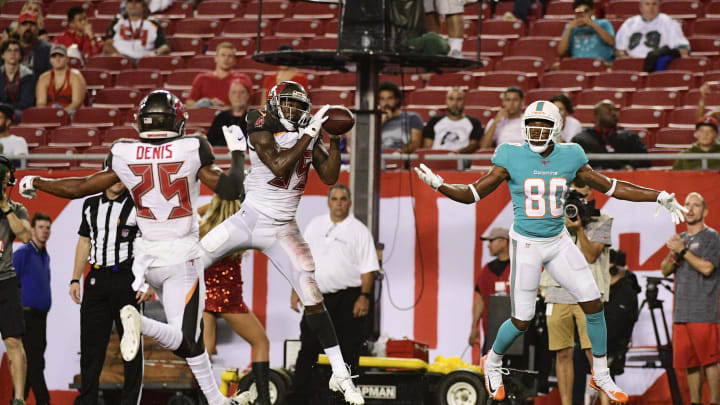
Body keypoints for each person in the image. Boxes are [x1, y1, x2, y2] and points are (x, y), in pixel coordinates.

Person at [413, 99, 689, 404]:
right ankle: (492, 360)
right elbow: (473, 193)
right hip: (527, 244)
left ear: (556, 129)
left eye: (544, 126)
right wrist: (441, 186)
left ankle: (600, 373)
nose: (536, 131)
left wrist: (658, 196)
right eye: (532, 125)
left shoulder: (570, 156)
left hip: (558, 241)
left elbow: (613, 187)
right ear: (524, 127)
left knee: (593, 304)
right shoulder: (510, 155)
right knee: (522, 318)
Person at [16, 89, 250, 405]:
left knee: (189, 344)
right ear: (177, 120)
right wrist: (238, 151)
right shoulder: (193, 146)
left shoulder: (124, 152)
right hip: (180, 258)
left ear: (141, 122)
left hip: (142, 261)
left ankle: (218, 401)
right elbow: (233, 189)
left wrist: (38, 182)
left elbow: (82, 188)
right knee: (187, 340)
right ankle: (142, 323)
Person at [197, 81, 364, 405]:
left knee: (313, 297)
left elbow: (330, 176)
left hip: (284, 228)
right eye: (286, 103)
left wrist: (333, 139)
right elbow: (277, 163)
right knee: (193, 261)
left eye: (298, 105)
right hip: (249, 219)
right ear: (274, 104)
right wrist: (309, 134)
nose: (292, 110)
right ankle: (145, 293)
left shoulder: (308, 133)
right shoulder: (259, 122)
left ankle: (341, 371)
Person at [288, 184, 379, 404]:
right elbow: (302, 258)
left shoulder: (359, 231)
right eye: (335, 198)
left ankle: (343, 399)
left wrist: (364, 297)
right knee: (308, 348)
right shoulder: (315, 225)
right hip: (316, 296)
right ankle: (300, 399)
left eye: (343, 199)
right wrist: (295, 288)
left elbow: (368, 268)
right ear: (328, 202)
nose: (339, 203)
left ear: (349, 202)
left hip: (348, 299)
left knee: (348, 351)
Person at [539, 181, 613, 405]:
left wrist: (579, 229)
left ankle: (605, 401)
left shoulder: (603, 219)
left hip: (588, 293)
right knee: (562, 353)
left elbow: (591, 256)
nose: (578, 193)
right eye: (574, 188)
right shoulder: (552, 219)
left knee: (595, 354)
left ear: (590, 191)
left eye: (582, 188)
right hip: (557, 290)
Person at [69, 179, 142, 405]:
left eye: (122, 175)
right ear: (104, 176)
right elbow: (84, 241)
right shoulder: (90, 204)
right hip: (96, 279)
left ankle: (130, 402)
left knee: (131, 347)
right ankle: (87, 401)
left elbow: (146, 244)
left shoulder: (137, 205)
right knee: (90, 347)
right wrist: (74, 278)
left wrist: (144, 281)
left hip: (127, 279)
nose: (117, 180)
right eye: (113, 174)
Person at [199, 195, 271, 405]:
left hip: (205, 296)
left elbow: (199, 211)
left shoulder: (203, 228)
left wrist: (216, 203)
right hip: (228, 298)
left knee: (205, 352)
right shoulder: (241, 229)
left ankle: (204, 400)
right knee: (261, 342)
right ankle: (264, 400)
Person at [661, 192, 720, 405]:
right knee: (691, 363)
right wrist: (675, 254)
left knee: (711, 362)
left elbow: (707, 268)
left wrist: (683, 251)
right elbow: (664, 269)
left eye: (696, 205)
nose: (691, 209)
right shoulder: (681, 240)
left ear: (705, 211)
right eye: (687, 205)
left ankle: (714, 401)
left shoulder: (712, 237)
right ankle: (695, 402)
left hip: (704, 312)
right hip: (682, 312)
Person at [0, 155, 31, 405]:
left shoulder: (17, 208)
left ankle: (18, 399)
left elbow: (25, 235)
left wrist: (5, 208)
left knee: (13, 340)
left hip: (5, 280)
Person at [13, 212, 51, 405]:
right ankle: (44, 401)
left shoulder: (45, 256)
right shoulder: (23, 253)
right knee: (35, 363)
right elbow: (9, 282)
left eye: (47, 227)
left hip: (40, 318)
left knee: (33, 363)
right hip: (26, 316)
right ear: (33, 229)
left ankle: (17, 399)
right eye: (41, 227)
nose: (45, 231)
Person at [571, 100, 650, 170]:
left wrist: (631, 167)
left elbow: (645, 160)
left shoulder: (630, 137)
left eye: (615, 110)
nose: (614, 114)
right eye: (609, 111)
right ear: (597, 116)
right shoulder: (582, 139)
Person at [469, 227, 511, 354]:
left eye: (491, 241)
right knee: (489, 370)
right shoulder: (487, 270)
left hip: (518, 334)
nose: (488, 246)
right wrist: (474, 327)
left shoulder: (519, 266)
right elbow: (480, 299)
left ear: (504, 242)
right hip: (491, 334)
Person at [615, 0, 689, 59]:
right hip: (632, 63)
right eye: (647, 4)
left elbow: (683, 49)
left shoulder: (669, 22)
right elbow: (619, 50)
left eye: (654, 4)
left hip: (657, 65)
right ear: (641, 7)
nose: (651, 8)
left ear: (659, 7)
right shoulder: (629, 23)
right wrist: (624, 57)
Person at [186, 42, 251, 109]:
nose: (226, 59)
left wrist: (226, 109)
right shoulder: (202, 78)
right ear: (216, 58)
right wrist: (208, 103)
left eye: (230, 56)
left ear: (234, 60)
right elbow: (189, 103)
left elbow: (247, 104)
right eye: (223, 55)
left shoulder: (242, 78)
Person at [103, 0, 170, 60]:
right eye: (130, 1)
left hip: (145, 61)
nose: (133, 4)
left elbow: (165, 47)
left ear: (143, 6)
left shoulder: (153, 23)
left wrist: (154, 54)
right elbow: (107, 44)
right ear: (125, 5)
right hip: (119, 61)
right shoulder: (117, 21)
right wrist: (118, 55)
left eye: (137, 1)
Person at [422, 87, 483, 153]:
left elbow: (473, 146)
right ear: (446, 101)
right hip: (436, 158)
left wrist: (455, 155)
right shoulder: (434, 121)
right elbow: (427, 147)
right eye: (451, 99)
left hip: (460, 159)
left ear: (465, 102)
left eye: (459, 99)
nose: (454, 103)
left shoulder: (474, 122)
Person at [35, 44, 86, 114]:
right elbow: (41, 103)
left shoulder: (76, 76)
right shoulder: (44, 78)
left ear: (67, 59)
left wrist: (60, 114)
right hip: (50, 114)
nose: (57, 59)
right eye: (54, 56)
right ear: (50, 60)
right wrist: (46, 114)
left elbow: (76, 103)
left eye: (61, 56)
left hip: (71, 114)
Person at [379, 81, 423, 152]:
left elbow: (416, 143)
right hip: (379, 158)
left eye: (390, 98)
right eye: (382, 99)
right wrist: (380, 122)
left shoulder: (413, 117)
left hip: (402, 157)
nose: (386, 103)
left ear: (397, 100)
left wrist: (398, 154)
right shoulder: (375, 121)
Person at [207, 78, 251, 147]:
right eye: (234, 92)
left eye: (242, 92)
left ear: (248, 95)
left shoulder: (254, 117)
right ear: (229, 95)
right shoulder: (220, 118)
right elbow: (211, 142)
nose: (237, 96)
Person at [0, 39, 36, 120]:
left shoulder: (28, 75)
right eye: (9, 50)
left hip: (20, 111)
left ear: (20, 55)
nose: (12, 53)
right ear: (3, 55)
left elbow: (26, 103)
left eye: (16, 50)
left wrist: (6, 109)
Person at [16, 11, 51, 81]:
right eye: (24, 24)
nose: (28, 27)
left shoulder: (48, 49)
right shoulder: (10, 48)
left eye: (32, 24)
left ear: (38, 29)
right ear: (18, 29)